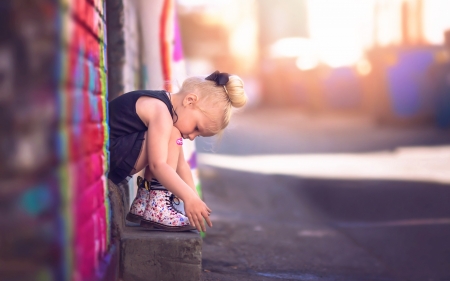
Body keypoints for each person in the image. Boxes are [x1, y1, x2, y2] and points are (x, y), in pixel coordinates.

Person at [108, 71, 247, 232]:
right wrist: (187, 198)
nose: (193, 137)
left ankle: (145, 201)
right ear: (190, 101)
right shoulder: (161, 113)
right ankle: (157, 205)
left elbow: (181, 166)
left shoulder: (166, 110)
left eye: (198, 135)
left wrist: (195, 199)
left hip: (114, 155)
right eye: (196, 128)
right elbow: (158, 165)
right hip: (109, 156)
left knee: (173, 135)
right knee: (173, 134)